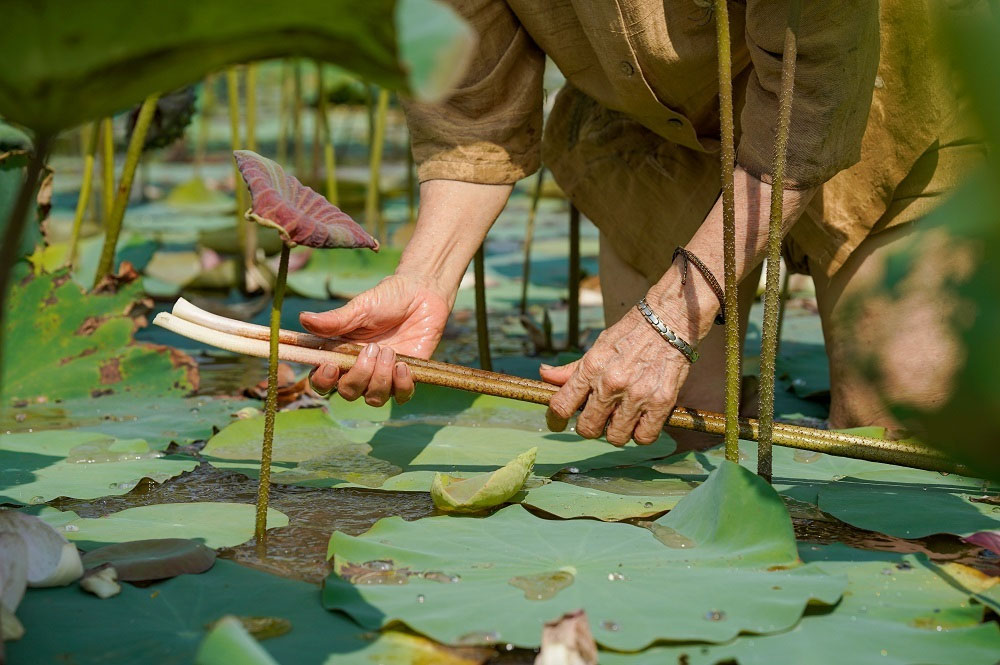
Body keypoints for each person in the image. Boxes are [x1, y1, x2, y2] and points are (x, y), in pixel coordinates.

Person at [302, 0, 983, 447]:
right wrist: (424, 280)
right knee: (674, 433)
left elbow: (815, 101)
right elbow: (470, 114)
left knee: (896, 438)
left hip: (874, 98)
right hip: (657, 135)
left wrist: (669, 317)